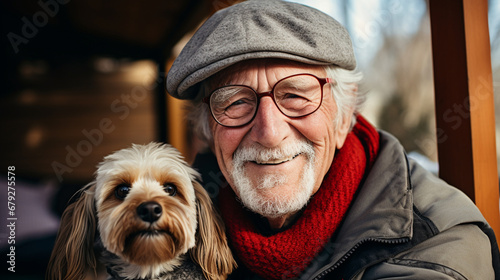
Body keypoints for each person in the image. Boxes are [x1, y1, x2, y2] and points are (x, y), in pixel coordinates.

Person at [166, 0, 500, 279]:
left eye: (296, 95)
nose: (269, 133)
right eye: (236, 102)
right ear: (208, 130)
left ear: (344, 115)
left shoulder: (435, 243)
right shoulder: (176, 226)